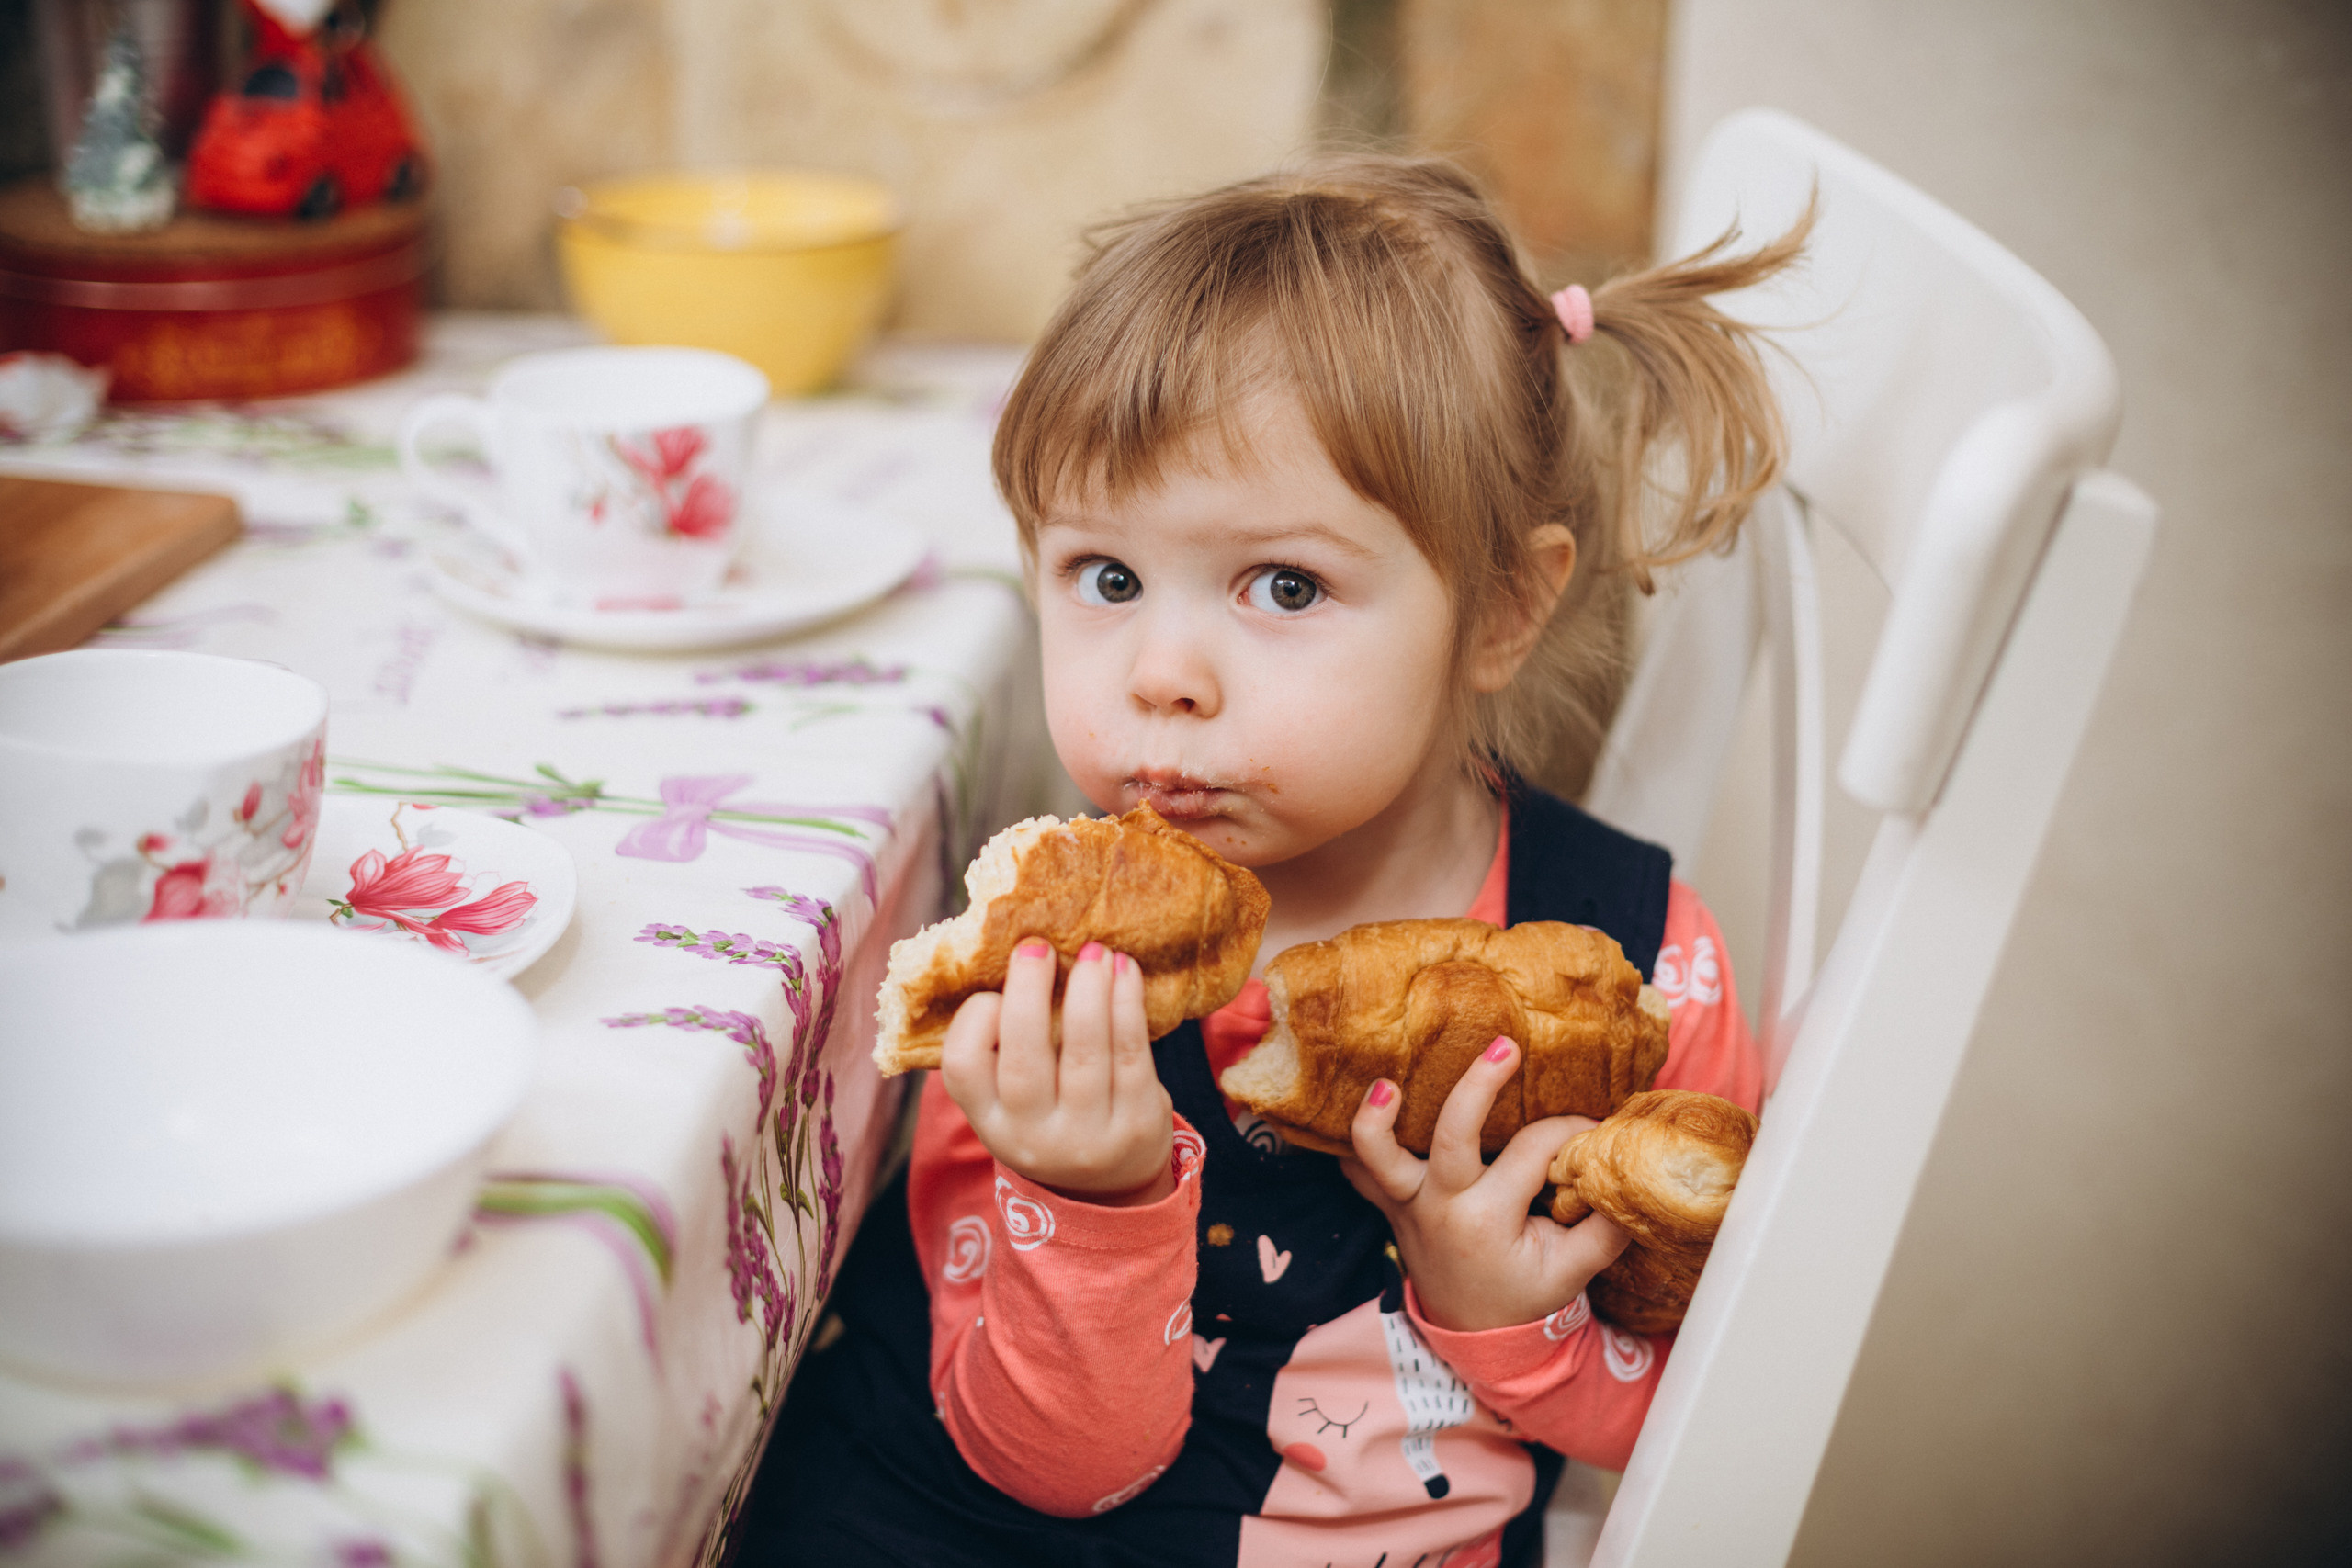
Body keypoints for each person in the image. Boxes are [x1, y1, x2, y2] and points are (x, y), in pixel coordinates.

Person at [741, 152, 1805, 1568]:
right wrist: (1089, 1202)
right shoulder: (1058, 971)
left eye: (1284, 586)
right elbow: (1043, 1466)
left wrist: (1515, 1321)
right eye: (1105, 578)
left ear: (1499, 611)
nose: (1162, 675)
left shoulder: (1637, 972)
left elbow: (1720, 1414)